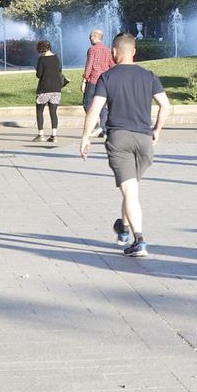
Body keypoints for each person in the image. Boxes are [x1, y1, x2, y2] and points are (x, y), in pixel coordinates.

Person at [80, 33, 170, 257]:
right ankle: (124, 229)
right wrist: (157, 130)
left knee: (129, 191)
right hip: (144, 140)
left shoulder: (107, 77)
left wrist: (85, 136)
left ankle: (139, 241)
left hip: (119, 138)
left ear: (113, 52)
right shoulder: (149, 76)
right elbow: (166, 106)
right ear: (135, 52)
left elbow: (94, 109)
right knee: (131, 189)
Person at [81, 28, 116, 135]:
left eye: (90, 36)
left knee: (87, 103)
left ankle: (96, 126)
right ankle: (104, 129)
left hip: (93, 80)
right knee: (103, 105)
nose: (89, 39)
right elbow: (112, 65)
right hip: (104, 81)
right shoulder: (107, 49)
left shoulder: (92, 50)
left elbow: (89, 65)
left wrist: (84, 80)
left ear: (94, 37)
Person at [32, 39, 65, 144]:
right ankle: (54, 135)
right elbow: (60, 71)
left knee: (39, 111)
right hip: (56, 88)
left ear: (41, 49)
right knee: (53, 112)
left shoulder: (41, 59)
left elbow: (39, 75)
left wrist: (36, 70)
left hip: (44, 88)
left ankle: (40, 134)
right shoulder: (57, 58)